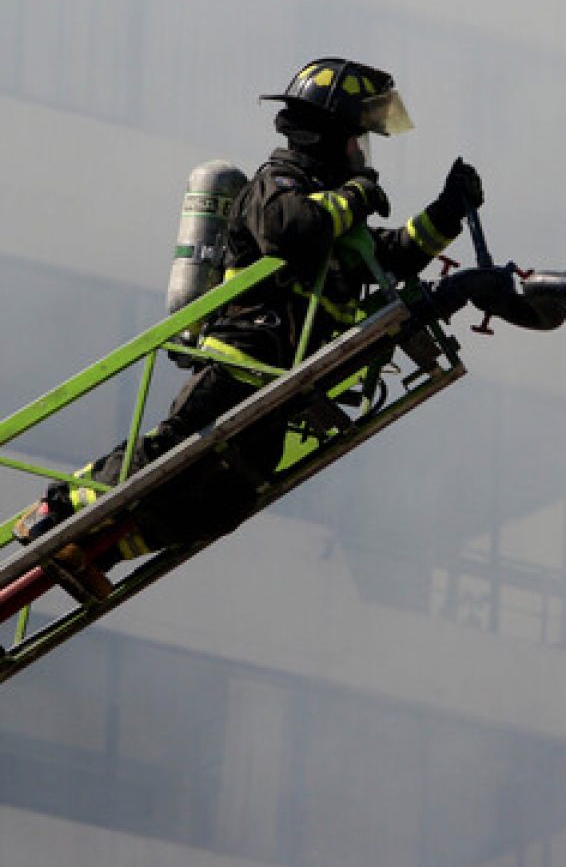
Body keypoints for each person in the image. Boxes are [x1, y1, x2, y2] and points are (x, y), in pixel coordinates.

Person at [13, 56, 487, 599]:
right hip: (242, 360)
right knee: (169, 456)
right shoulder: (277, 185)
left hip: (284, 383)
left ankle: (101, 553)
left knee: (226, 500)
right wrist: (357, 195)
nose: (361, 154)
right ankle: (54, 509)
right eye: (357, 139)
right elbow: (292, 231)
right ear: (328, 133)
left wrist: (447, 211)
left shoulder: (334, 218)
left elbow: (393, 255)